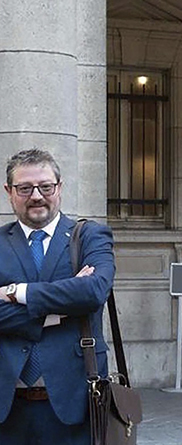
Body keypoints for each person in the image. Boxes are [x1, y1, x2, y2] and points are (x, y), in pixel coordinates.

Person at [0, 149, 115, 444]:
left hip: (75, 404)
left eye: (45, 187)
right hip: (7, 409)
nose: (36, 196)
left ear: (59, 188)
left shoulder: (89, 237)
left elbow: (93, 291)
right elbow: (80, 296)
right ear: (9, 192)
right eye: (25, 188)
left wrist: (18, 292)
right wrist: (65, 305)